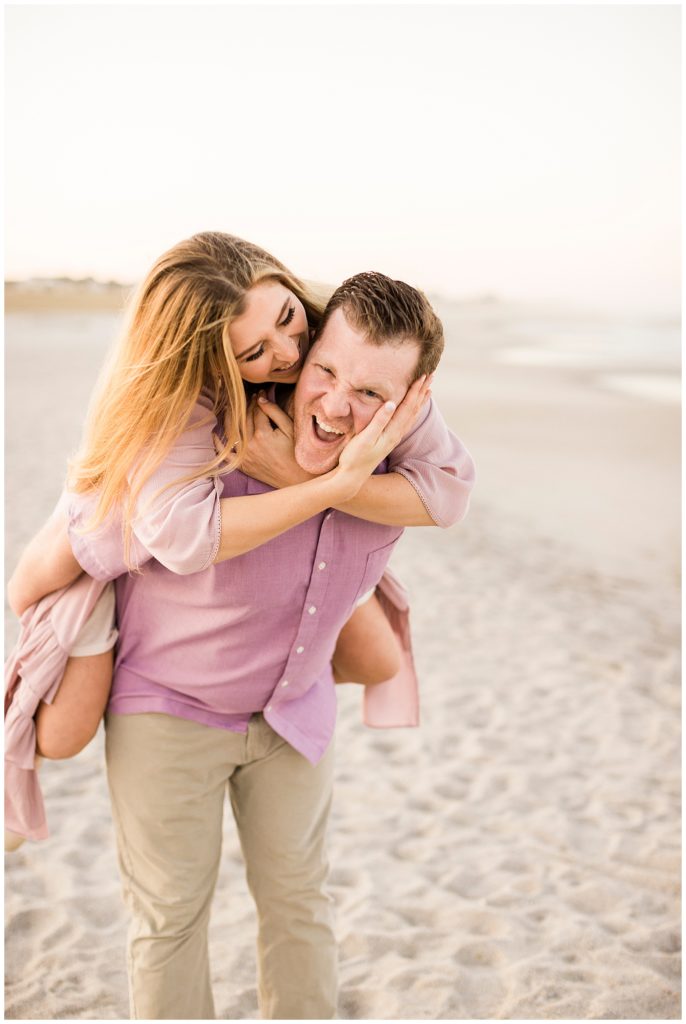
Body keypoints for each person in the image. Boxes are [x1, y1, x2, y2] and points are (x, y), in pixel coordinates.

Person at [6, 233, 438, 768]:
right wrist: (329, 488)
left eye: (286, 315)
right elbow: (185, 538)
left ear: (286, 283)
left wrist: (307, 482)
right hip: (104, 538)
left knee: (378, 659)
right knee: (60, 736)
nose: (289, 352)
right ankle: (105, 635)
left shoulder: (333, 342)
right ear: (211, 360)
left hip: (260, 565)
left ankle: (264, 667)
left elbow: (445, 488)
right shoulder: (181, 397)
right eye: (254, 352)